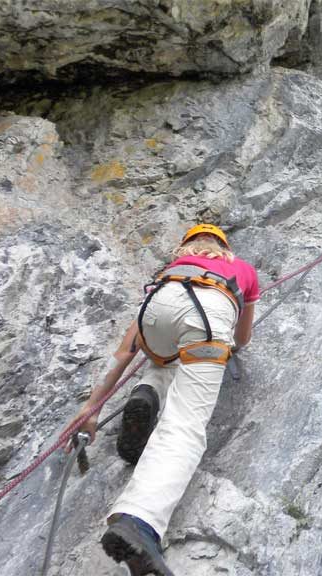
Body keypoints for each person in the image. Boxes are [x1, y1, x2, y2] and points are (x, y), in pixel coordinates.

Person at [64, 224, 259, 575]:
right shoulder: (242, 269)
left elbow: (125, 352)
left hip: (158, 308)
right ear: (223, 246)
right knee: (184, 423)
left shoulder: (171, 271)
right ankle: (139, 520)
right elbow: (242, 339)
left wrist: (92, 408)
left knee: (164, 356)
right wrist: (224, 338)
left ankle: (149, 390)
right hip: (211, 311)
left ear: (186, 246)